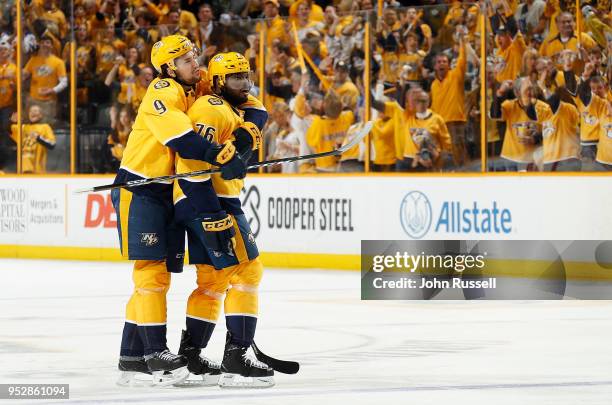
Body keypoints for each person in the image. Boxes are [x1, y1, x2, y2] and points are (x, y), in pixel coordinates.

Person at [111, 35, 247, 387]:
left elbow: (249, 100)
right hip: (140, 188)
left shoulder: (197, 84)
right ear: (169, 68)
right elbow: (181, 140)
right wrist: (218, 155)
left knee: (159, 277)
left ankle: (132, 355)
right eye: (186, 59)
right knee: (150, 274)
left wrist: (246, 136)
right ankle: (155, 352)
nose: (195, 63)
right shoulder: (162, 89)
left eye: (194, 56)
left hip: (167, 190)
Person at [173, 52, 274, 388]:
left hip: (206, 199)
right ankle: (237, 357)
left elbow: (258, 109)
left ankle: (192, 357)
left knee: (213, 281)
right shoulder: (210, 108)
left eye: (246, 75)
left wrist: (246, 133)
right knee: (248, 269)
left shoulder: (231, 105)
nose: (244, 84)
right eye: (235, 78)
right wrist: (211, 213)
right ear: (217, 82)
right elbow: (190, 159)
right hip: (212, 200)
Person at [9, 105, 56, 174]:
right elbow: (8, 130)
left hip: (37, 171)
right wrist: (12, 121)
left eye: (35, 111)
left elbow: (52, 144)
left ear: (41, 115)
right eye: (30, 111)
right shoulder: (24, 127)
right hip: (22, 170)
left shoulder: (45, 127)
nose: (32, 112)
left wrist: (38, 138)